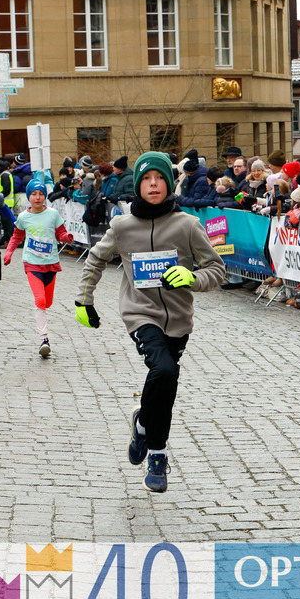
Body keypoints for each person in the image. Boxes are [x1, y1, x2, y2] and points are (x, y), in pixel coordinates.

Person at [74, 151, 226, 493]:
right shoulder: (122, 226)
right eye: (146, 179)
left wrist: (192, 277)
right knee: (165, 370)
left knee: (165, 384)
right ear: (138, 185)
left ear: (169, 183)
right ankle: (158, 455)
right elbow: (95, 259)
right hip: (140, 314)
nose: (153, 184)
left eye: (159, 178)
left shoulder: (187, 225)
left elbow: (217, 269)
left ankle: (143, 423)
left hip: (179, 320)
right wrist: (84, 299)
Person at [3, 173, 74, 356]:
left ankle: (43, 330)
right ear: (29, 196)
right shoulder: (23, 217)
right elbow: (17, 236)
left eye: (41, 194)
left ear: (44, 196)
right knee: (40, 300)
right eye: (34, 194)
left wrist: (66, 237)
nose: (37, 197)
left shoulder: (53, 214)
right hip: (32, 263)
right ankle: (44, 339)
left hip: (50, 263)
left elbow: (60, 233)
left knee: (47, 302)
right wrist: (9, 252)